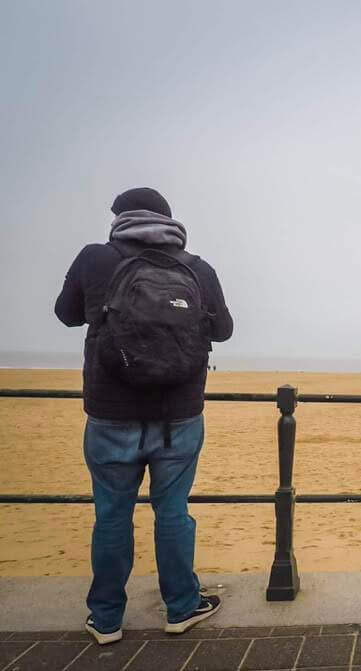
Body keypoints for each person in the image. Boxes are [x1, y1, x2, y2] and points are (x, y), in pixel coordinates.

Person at [55, 187, 233, 644]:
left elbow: (66, 314)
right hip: (179, 415)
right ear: (169, 222)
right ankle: (181, 607)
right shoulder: (196, 268)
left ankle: (107, 618)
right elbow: (225, 330)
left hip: (110, 413)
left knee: (111, 515)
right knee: (172, 511)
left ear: (119, 218)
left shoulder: (95, 258)